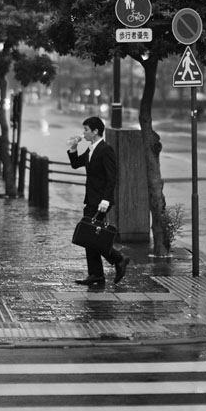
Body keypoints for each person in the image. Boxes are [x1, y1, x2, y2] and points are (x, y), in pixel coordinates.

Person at [67, 116, 130, 286]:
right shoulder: (91, 149)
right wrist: (73, 148)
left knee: (90, 236)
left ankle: (117, 260)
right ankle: (98, 273)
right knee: (90, 237)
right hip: (92, 199)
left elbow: (112, 178)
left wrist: (106, 200)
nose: (83, 133)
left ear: (95, 131)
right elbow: (75, 164)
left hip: (101, 202)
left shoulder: (105, 149)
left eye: (86, 130)